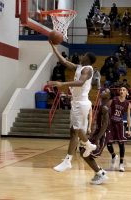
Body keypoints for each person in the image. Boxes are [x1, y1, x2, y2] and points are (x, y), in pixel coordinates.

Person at [48, 41, 97, 172]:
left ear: (88, 59)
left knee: (75, 130)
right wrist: (54, 47)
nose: (82, 55)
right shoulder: (80, 67)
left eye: (85, 55)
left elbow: (80, 82)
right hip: (76, 102)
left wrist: (61, 83)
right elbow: (64, 61)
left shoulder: (87, 69)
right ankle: (83, 149)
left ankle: (74, 155)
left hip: (81, 103)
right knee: (73, 131)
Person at [79, 88, 110, 185]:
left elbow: (105, 124)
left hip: (102, 134)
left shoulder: (105, 107)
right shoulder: (101, 105)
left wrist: (97, 138)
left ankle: (100, 173)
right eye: (103, 90)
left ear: (108, 96)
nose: (102, 92)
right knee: (82, 150)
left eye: (106, 91)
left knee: (85, 152)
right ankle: (100, 172)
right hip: (98, 132)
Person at [106, 86, 131, 172]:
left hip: (119, 124)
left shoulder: (128, 103)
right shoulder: (114, 99)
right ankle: (113, 155)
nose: (121, 91)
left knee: (121, 144)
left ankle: (121, 163)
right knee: (108, 143)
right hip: (111, 123)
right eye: (120, 90)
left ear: (126, 92)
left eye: (124, 90)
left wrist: (129, 129)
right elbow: (106, 109)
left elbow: (128, 116)